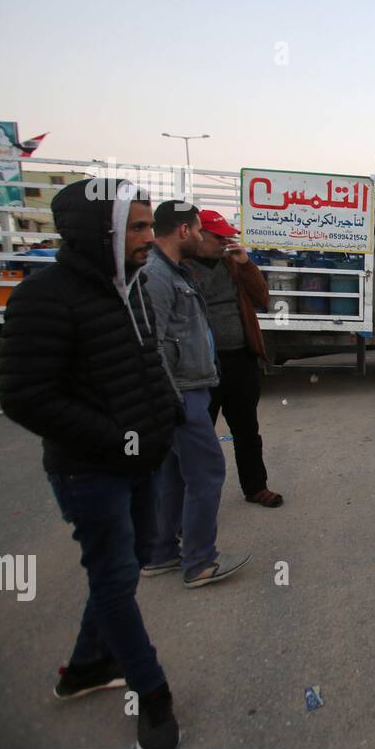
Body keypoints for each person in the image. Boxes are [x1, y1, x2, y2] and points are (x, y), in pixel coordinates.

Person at [0, 178, 181, 749]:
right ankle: (152, 695)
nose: (149, 239)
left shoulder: (131, 288)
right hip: (89, 471)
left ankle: (85, 668)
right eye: (137, 227)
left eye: (150, 226)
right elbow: (25, 396)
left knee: (128, 563)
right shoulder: (42, 298)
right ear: (96, 231)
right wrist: (118, 438)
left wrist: (166, 417)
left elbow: (148, 363)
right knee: (116, 576)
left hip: (143, 459)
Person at [142, 202, 250, 589]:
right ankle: (200, 562)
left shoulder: (173, 271)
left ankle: (161, 553)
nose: (206, 237)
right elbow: (150, 344)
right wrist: (167, 399)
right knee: (206, 474)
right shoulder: (156, 276)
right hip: (180, 392)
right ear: (185, 231)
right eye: (201, 230)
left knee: (175, 475)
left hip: (189, 387)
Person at [186, 210, 283, 507]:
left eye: (227, 237)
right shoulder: (180, 268)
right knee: (196, 439)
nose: (225, 242)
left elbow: (262, 298)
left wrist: (247, 264)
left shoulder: (232, 265)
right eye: (219, 237)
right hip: (202, 367)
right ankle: (190, 504)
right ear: (197, 235)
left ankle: (255, 487)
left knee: (247, 431)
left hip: (240, 360)